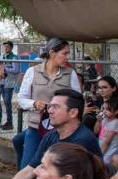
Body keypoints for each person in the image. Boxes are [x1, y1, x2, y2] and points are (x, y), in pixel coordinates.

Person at [0, 89, 101, 179]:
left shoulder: (82, 141)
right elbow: (30, 169)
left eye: (55, 107)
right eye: (50, 106)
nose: (50, 111)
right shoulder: (51, 135)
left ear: (73, 113)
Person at [14, 38, 81, 169]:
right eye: (65, 53)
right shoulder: (32, 72)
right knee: (27, 167)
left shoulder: (70, 73)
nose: (68, 57)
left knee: (54, 169)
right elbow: (21, 98)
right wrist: (34, 104)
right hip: (35, 129)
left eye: (69, 54)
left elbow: (78, 100)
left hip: (60, 131)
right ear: (52, 53)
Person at [0, 40, 21, 130]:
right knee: (5, 103)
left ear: (11, 48)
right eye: (4, 47)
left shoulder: (14, 57)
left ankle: (10, 123)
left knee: (8, 103)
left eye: (7, 47)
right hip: (3, 82)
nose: (5, 48)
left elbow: (16, 70)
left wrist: (5, 68)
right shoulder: (4, 56)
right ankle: (8, 122)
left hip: (10, 83)